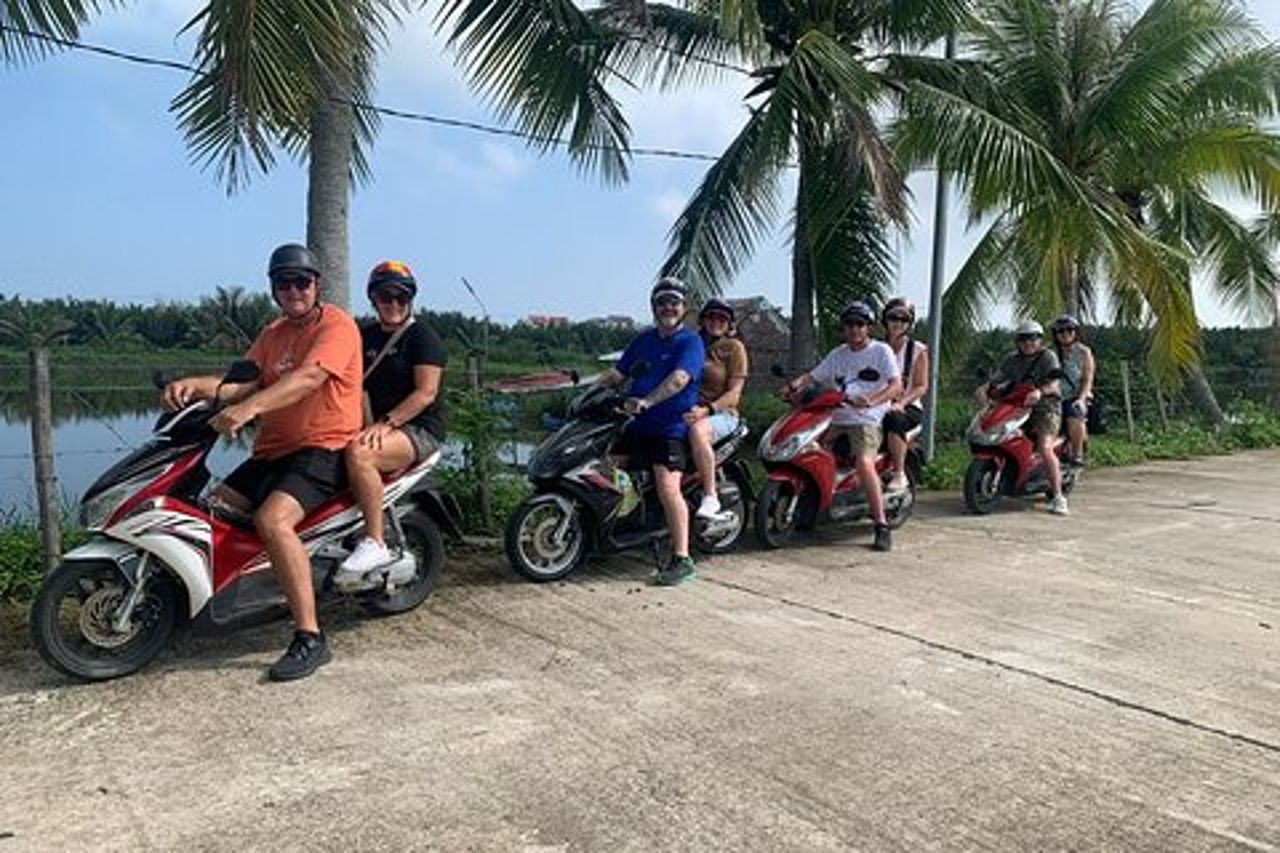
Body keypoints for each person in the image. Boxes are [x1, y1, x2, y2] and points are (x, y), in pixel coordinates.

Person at [162, 243, 362, 681]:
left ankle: (310, 636)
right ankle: (239, 596)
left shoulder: (338, 326)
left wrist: (250, 410)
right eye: (283, 283)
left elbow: (309, 376)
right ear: (273, 289)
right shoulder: (272, 334)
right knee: (210, 507)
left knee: (273, 521)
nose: (293, 290)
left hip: (322, 450)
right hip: (273, 451)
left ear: (317, 285)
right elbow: (240, 385)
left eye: (301, 282)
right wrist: (198, 386)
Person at [333, 261, 448, 587]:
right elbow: (353, 386)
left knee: (361, 454)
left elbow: (426, 393)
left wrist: (385, 424)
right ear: (373, 299)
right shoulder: (363, 335)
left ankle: (375, 541)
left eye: (401, 297)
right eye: (386, 297)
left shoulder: (422, 337)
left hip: (418, 429)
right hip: (376, 424)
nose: (393, 304)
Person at [595, 277, 705, 586]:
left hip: (669, 427)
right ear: (653, 307)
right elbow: (618, 373)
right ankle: (620, 528)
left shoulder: (690, 342)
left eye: (674, 302)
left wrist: (648, 401)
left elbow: (680, 378)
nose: (668, 307)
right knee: (601, 465)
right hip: (635, 425)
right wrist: (589, 389)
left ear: (683, 308)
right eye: (662, 302)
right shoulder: (643, 341)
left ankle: (683, 558)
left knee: (667, 486)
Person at [783, 300, 902, 552]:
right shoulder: (838, 354)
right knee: (802, 449)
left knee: (864, 462)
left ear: (868, 327)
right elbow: (813, 376)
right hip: (836, 416)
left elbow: (896, 386)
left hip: (866, 419)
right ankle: (812, 506)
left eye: (859, 324)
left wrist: (872, 400)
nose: (854, 329)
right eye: (849, 324)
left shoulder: (881, 351)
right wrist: (795, 385)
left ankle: (881, 524)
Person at [983, 319, 1068, 515]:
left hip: (1046, 407)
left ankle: (1058, 496)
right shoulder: (1011, 360)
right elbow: (997, 378)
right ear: (1017, 341)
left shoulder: (1048, 357)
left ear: (1040, 340)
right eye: (1023, 339)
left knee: (1045, 447)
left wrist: (1040, 391)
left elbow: (1054, 384)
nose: (1028, 343)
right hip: (1016, 406)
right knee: (998, 435)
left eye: (1033, 338)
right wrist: (985, 388)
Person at [684, 298, 749, 520]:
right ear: (703, 319)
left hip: (721, 414)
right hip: (687, 411)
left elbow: (734, 394)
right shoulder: (691, 343)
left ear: (729, 323)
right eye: (711, 316)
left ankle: (710, 495)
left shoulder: (734, 348)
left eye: (722, 318)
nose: (716, 321)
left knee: (697, 431)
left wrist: (707, 410)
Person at [880, 297, 928, 494]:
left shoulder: (917, 350)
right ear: (885, 319)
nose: (898, 323)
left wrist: (902, 402)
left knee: (894, 419)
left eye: (904, 319)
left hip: (908, 407)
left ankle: (899, 473)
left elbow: (920, 386)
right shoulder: (875, 347)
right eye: (893, 318)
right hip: (876, 404)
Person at [1051, 314, 1095, 467]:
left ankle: (1078, 453)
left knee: (1074, 415)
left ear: (1075, 332)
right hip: (1052, 396)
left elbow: (1087, 379)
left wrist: (1081, 398)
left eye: (1069, 330)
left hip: (1075, 395)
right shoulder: (1050, 353)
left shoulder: (1083, 352)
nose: (1065, 334)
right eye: (1061, 331)